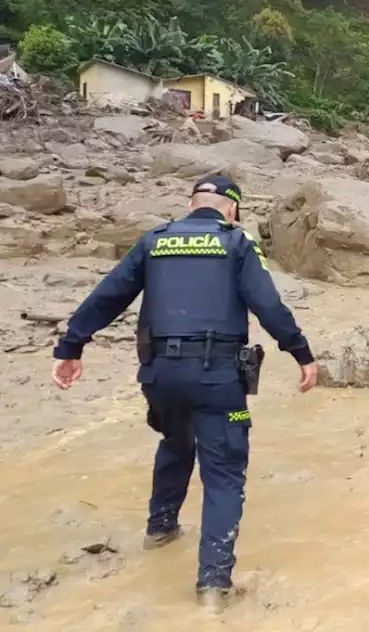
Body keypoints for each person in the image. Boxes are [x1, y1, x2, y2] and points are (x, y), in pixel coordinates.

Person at [51, 174, 318, 610]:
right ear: (231, 209)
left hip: (160, 376)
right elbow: (268, 305)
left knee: (176, 440)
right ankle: (212, 587)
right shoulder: (236, 242)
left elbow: (107, 296)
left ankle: (160, 529)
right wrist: (301, 354)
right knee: (225, 474)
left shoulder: (154, 240)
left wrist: (71, 346)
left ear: (192, 204)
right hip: (217, 378)